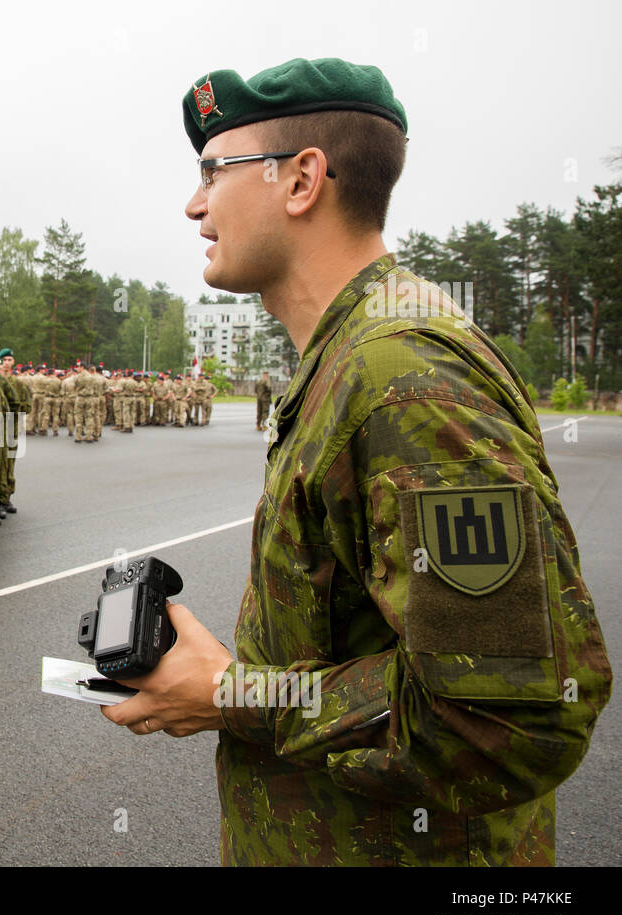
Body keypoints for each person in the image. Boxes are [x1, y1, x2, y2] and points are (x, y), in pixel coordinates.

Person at [102, 57, 612, 866]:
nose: (194, 203)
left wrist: (235, 694)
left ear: (302, 179)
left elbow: (510, 722)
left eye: (212, 171)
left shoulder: (404, 378)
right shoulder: (355, 355)